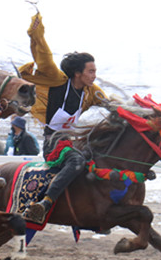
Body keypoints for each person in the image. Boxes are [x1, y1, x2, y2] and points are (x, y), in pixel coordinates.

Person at [17, 12, 107, 220]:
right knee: (76, 161)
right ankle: (44, 203)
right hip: (53, 144)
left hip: (72, 142)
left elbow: (112, 105)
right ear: (77, 73)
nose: (94, 76)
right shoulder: (56, 80)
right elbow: (44, 57)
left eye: (95, 71)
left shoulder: (91, 92)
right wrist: (37, 32)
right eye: (91, 71)